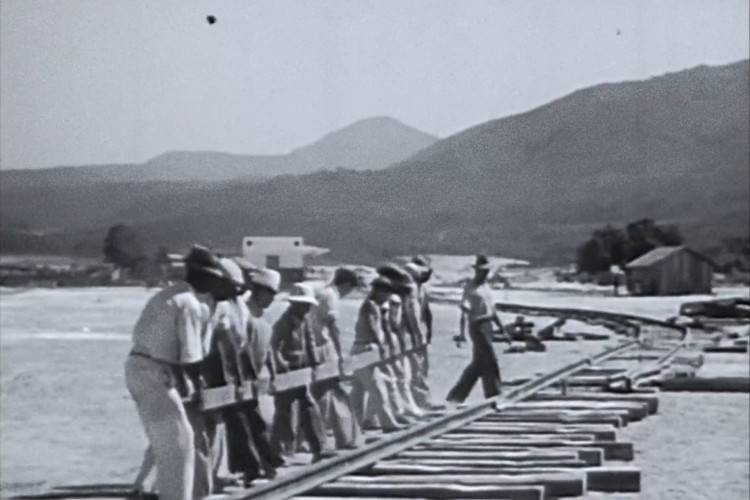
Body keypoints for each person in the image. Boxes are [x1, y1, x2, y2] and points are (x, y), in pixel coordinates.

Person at [125, 245, 230, 500]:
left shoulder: (170, 295)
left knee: (166, 438)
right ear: (205, 277)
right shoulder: (189, 303)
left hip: (142, 366)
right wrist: (193, 387)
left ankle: (147, 489)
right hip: (154, 371)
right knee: (179, 443)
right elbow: (190, 358)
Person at [270, 284, 333, 462]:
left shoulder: (304, 321)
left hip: (301, 371)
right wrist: (282, 365)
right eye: (303, 305)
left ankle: (318, 447)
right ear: (294, 304)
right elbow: (273, 347)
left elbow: (310, 342)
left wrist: (314, 362)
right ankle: (277, 451)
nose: (306, 308)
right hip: (288, 372)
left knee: (307, 406)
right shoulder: (284, 322)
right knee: (284, 412)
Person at [307, 268, 362, 449]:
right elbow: (333, 326)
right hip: (323, 347)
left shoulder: (321, 292)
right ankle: (343, 436)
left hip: (312, 345)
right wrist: (339, 354)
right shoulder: (331, 295)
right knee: (332, 392)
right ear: (345, 285)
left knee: (320, 393)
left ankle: (319, 436)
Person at [446, 254, 511, 404]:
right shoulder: (471, 287)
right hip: (477, 326)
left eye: (487, 271)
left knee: (478, 364)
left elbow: (493, 311)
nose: (485, 274)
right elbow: (464, 308)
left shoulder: (486, 287)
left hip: (487, 325)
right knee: (490, 359)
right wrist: (462, 332)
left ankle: (456, 395)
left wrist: (502, 329)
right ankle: (494, 392)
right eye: (482, 271)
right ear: (476, 271)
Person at [350, 276, 404, 432]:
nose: (388, 296)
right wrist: (381, 346)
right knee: (377, 389)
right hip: (366, 349)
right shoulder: (371, 306)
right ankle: (388, 423)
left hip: (360, 348)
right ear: (379, 291)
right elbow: (372, 327)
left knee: (358, 391)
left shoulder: (374, 305)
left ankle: (357, 424)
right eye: (386, 293)